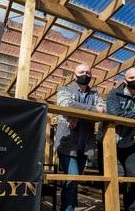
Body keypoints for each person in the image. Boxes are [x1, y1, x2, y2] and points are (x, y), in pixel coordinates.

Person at [97, 66, 135, 211]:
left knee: (134, 177)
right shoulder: (114, 93)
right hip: (107, 142)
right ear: (125, 80)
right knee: (107, 176)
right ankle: (109, 207)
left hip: (129, 142)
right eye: (131, 78)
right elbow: (115, 114)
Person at [55, 63, 106, 211]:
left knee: (73, 181)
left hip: (85, 146)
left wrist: (76, 115)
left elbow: (104, 111)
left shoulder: (95, 94)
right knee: (73, 177)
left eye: (88, 72)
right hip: (66, 144)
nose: (85, 74)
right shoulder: (65, 89)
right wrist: (91, 111)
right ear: (74, 74)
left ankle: (66, 206)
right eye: (81, 72)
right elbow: (65, 105)